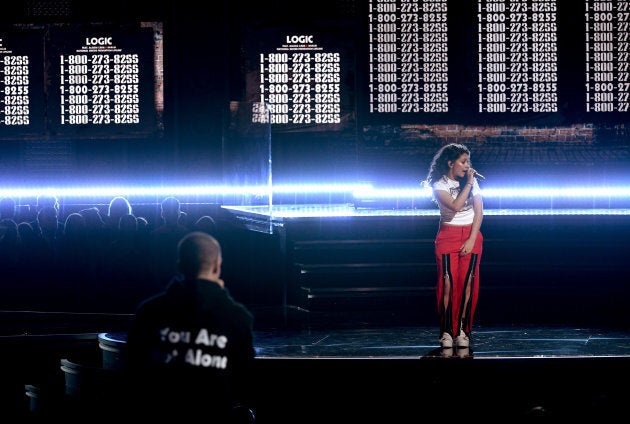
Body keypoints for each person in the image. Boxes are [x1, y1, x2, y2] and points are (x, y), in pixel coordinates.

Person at [125, 231, 256, 422]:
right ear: (217, 267)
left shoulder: (149, 312)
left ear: (179, 266)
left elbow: (133, 374)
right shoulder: (237, 317)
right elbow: (245, 383)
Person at [424, 143, 484, 350]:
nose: (468, 166)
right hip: (448, 235)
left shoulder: (472, 182)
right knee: (448, 283)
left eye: (468, 162)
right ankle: (446, 330)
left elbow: (479, 213)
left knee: (467, 283)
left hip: (471, 234)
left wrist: (471, 239)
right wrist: (468, 184)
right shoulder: (439, 184)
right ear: (450, 163)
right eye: (463, 162)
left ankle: (463, 330)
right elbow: (456, 206)